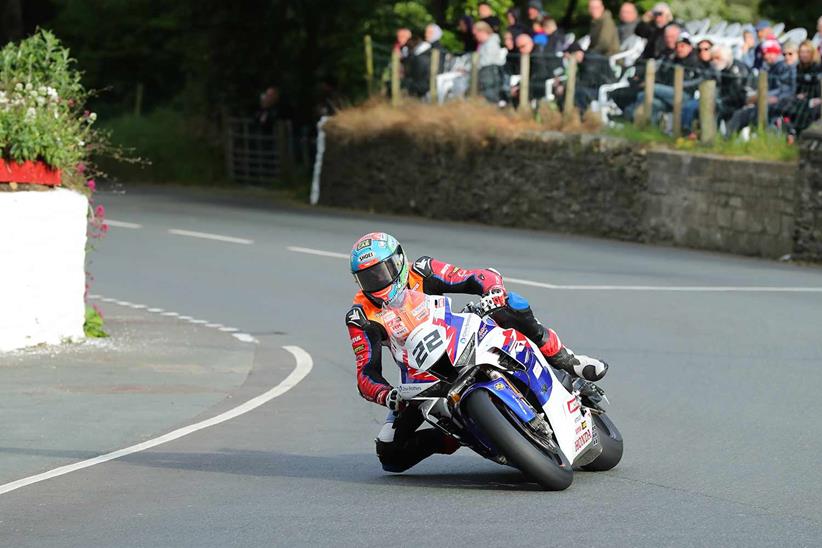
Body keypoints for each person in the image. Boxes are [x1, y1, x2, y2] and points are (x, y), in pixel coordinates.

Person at [346, 233, 609, 473]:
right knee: (390, 454)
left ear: (399, 262)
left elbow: (475, 276)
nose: (377, 282)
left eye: (382, 272)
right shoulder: (361, 316)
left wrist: (492, 290)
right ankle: (457, 436)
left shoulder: (422, 270)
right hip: (421, 379)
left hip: (459, 337)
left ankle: (568, 359)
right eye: (368, 277)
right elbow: (366, 372)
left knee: (510, 306)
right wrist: (387, 395)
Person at [727, 39, 796, 134]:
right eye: (767, 53)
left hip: (778, 105)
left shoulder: (783, 68)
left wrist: (762, 97)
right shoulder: (767, 68)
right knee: (739, 114)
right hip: (766, 102)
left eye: (773, 53)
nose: (769, 56)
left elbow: (784, 91)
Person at [784, 40, 822, 140]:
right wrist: (797, 95)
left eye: (807, 51)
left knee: (807, 109)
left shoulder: (818, 67)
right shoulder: (798, 68)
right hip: (802, 97)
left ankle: (800, 136)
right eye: (802, 52)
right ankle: (791, 133)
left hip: (816, 98)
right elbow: (797, 88)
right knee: (786, 108)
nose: (804, 54)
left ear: (813, 53)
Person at [473, 21, 506, 103]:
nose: (475, 37)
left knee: (491, 98)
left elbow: (488, 60)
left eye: (476, 34)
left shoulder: (492, 43)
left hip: (490, 72)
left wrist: (476, 65)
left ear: (482, 31)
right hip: (484, 73)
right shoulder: (483, 44)